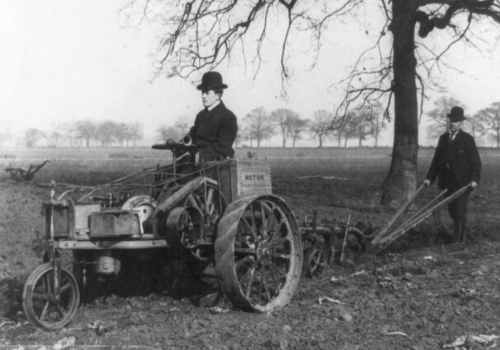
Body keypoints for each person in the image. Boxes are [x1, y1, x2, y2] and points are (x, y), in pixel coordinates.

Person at [423, 106, 482, 243]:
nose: (452, 123)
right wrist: (429, 178)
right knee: (452, 211)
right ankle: (458, 238)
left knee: (459, 211)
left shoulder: (467, 139)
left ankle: (459, 242)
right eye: (451, 120)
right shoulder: (443, 138)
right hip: (447, 183)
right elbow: (436, 161)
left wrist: (474, 180)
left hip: (463, 183)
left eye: (456, 121)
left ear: (461, 123)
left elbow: (476, 162)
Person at [188, 71, 238, 162]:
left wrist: (198, 157)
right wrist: (180, 144)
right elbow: (192, 137)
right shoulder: (200, 115)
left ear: (217, 95)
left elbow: (222, 147)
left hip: (214, 163)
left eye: (207, 93)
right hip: (197, 160)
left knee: (179, 175)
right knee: (166, 173)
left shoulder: (228, 117)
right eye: (202, 93)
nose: (203, 96)